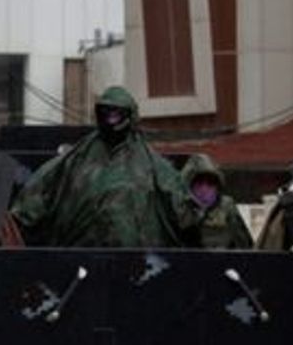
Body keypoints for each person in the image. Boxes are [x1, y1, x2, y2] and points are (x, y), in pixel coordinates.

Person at [10, 86, 203, 248]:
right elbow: (42, 185)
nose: (111, 119)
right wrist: (15, 221)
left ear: (129, 115)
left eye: (116, 114)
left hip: (138, 266)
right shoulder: (78, 157)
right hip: (79, 262)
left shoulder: (151, 165)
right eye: (106, 113)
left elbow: (181, 206)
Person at [180, 153, 254, 249]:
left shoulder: (227, 207)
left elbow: (244, 245)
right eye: (199, 183)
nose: (204, 189)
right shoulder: (181, 208)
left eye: (210, 183)